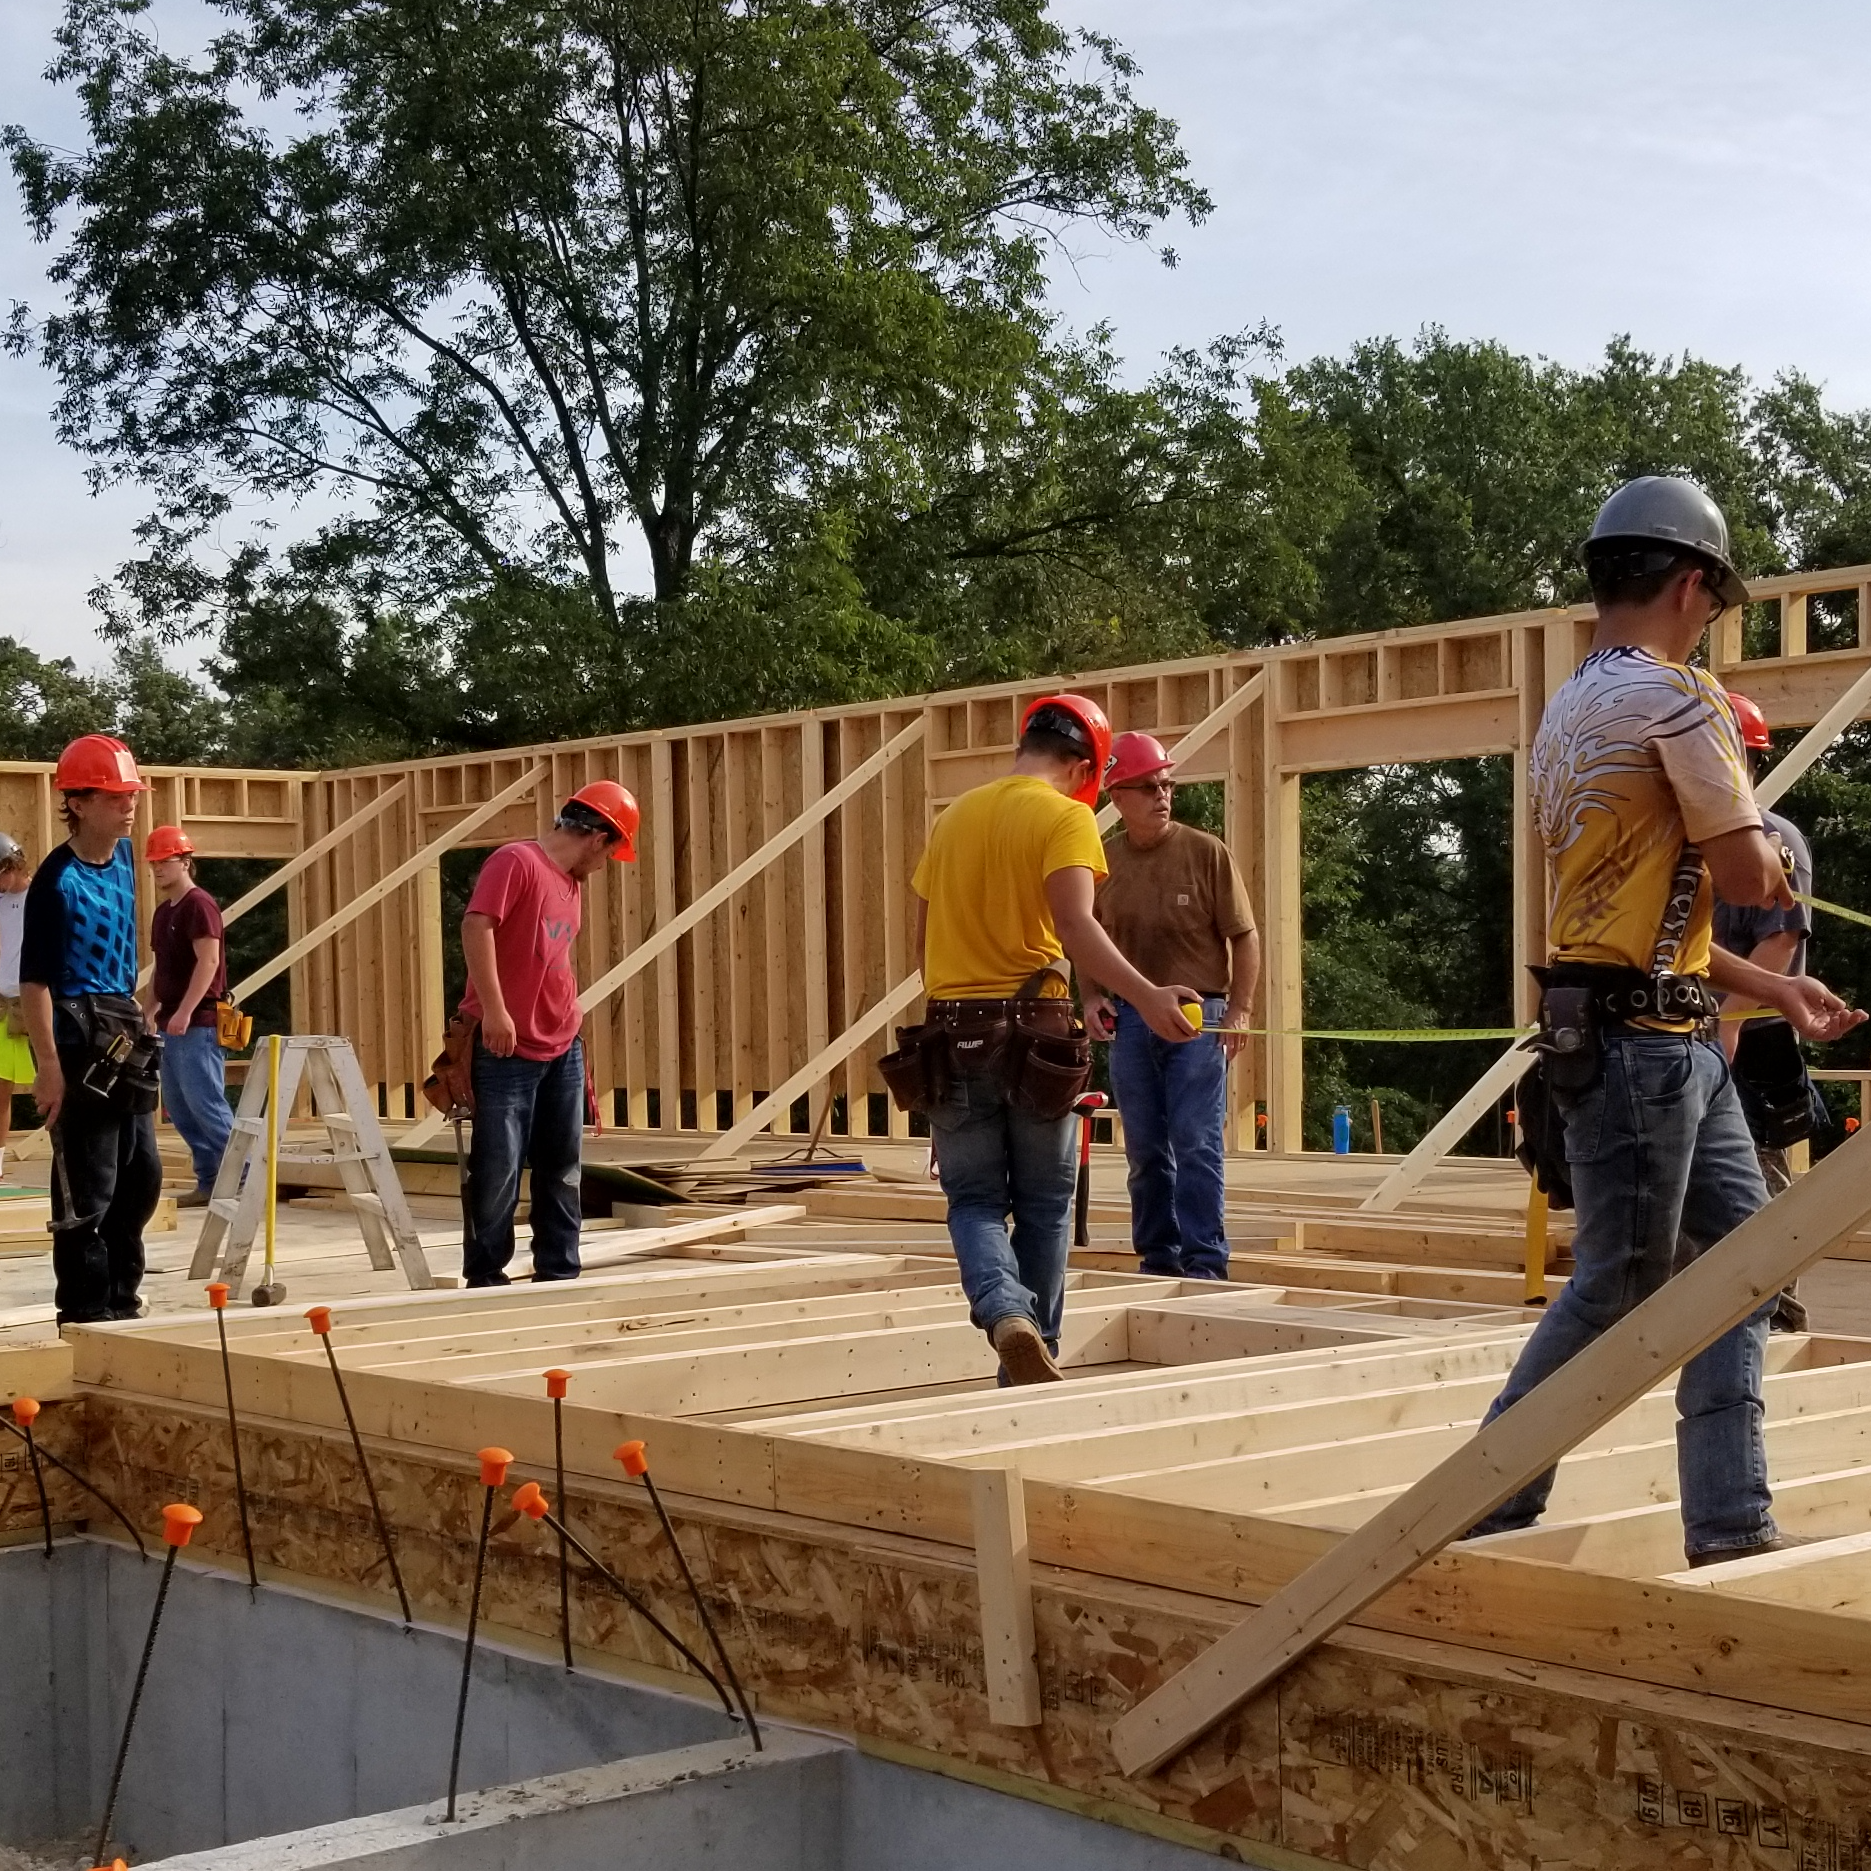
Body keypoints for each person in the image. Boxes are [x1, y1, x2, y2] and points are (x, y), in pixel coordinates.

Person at [1465, 477, 1865, 1567]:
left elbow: (1638, 919)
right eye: (1713, 600)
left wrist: (1773, 989)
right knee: (1620, 1282)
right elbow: (1747, 869)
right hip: (1642, 1048)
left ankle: (1728, 1525)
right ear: (1692, 583)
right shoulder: (1680, 699)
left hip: (1641, 1031)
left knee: (1743, 1264)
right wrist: (1773, 847)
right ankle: (1480, 1501)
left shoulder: (1568, 706)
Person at [909, 695, 1200, 1385]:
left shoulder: (953, 819)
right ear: (1081, 766)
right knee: (1042, 1203)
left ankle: (1003, 1309)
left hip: (952, 1031)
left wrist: (952, 1015)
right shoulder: (1066, 816)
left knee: (973, 1200)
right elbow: (1075, 926)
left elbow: (922, 945)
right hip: (1036, 1034)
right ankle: (1034, 1340)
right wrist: (1146, 995)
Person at [1082, 731, 1260, 1280]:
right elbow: (1085, 938)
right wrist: (1090, 997)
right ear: (1118, 796)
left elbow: (1245, 937)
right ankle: (1159, 1258)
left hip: (1197, 1018)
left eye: (1168, 784)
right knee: (1145, 1147)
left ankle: (1205, 1262)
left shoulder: (1205, 853)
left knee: (1195, 1139)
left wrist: (1239, 1010)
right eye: (1149, 786)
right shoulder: (1102, 864)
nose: (1163, 794)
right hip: (1133, 1021)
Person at [458, 781, 639, 1287]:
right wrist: (494, 1011)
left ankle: (559, 1271)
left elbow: (553, 962)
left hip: (562, 1044)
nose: (605, 867)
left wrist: (571, 1028)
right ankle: (486, 1276)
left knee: (563, 1167)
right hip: (507, 1046)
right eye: (611, 853)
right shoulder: (516, 862)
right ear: (598, 838)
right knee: (498, 1168)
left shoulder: (571, 883)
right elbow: (477, 927)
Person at [21, 735, 165, 1324]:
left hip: (121, 1025)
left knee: (140, 1175)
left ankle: (123, 1301)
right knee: (89, 1184)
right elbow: (34, 985)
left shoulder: (125, 861)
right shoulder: (57, 881)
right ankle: (84, 1310)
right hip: (77, 1038)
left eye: (129, 793)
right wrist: (49, 1067)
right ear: (76, 802)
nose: (127, 805)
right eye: (112, 796)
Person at [1711, 691, 1826, 1332]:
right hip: (1696, 1027)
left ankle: (1775, 1310)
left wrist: (1728, 1023)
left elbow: (1780, 939)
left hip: (1753, 1033)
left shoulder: (1775, 840)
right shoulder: (1693, 842)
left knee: (1757, 1175)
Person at [138, 826, 233, 1207]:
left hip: (200, 1023)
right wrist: (149, 1009)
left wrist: (186, 1010)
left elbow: (208, 961)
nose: (159, 868)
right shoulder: (164, 913)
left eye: (166, 861)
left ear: (186, 862)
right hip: (174, 1024)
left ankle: (244, 1177)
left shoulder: (199, 904)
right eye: (154, 863)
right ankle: (210, 1182)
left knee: (206, 1103)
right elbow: (163, 969)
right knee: (179, 1108)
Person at [0, 835, 34, 1178]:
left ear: (11, 868)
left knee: (2, 1088)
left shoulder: (38, 898)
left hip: (24, 1003)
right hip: (0, 1002)